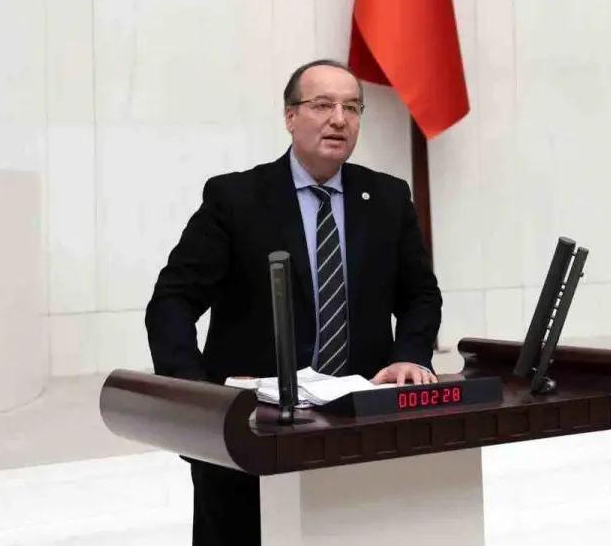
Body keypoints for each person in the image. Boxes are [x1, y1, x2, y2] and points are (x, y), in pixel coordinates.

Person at [145, 58, 443, 546]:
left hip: (359, 422)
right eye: (322, 105)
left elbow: (420, 295)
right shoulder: (236, 198)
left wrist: (411, 354)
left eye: (352, 108)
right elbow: (172, 302)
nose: (339, 119)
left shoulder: (388, 198)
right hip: (253, 431)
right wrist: (197, 399)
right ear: (290, 116)